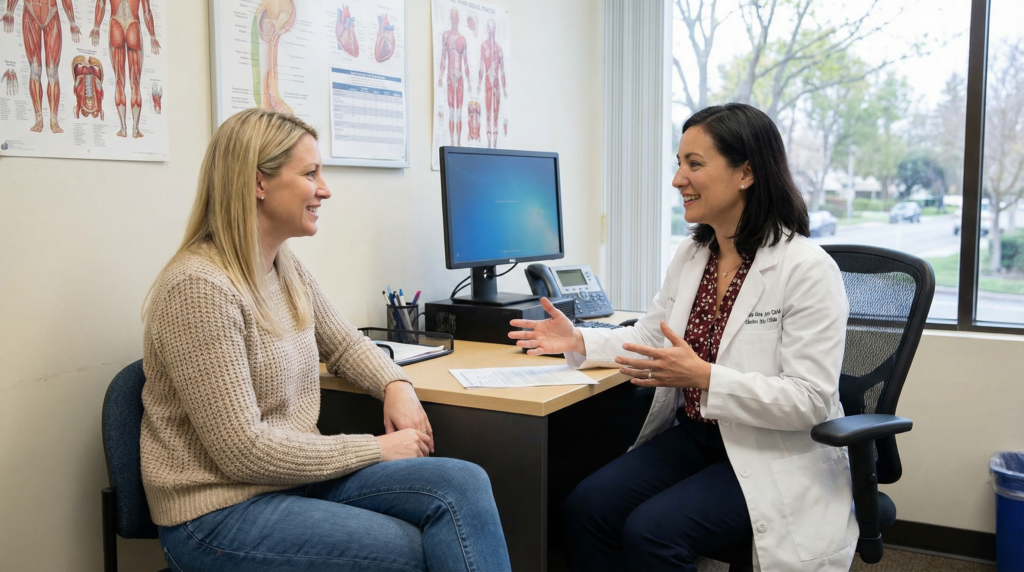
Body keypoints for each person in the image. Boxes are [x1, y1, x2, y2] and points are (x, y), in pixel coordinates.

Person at [142, 108, 511, 572]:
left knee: (465, 484)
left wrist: (397, 386)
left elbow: (344, 344)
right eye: (310, 173)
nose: (325, 188)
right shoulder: (199, 287)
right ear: (259, 183)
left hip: (292, 479)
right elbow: (242, 452)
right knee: (415, 550)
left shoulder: (283, 264)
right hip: (218, 513)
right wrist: (376, 448)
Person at [509, 103, 856, 572]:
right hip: (696, 437)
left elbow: (812, 400)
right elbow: (652, 336)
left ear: (746, 173)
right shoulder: (694, 255)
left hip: (769, 448)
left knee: (651, 533)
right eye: (678, 163)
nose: (677, 179)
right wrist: (580, 341)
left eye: (694, 164)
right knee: (587, 506)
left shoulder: (807, 269)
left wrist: (707, 376)